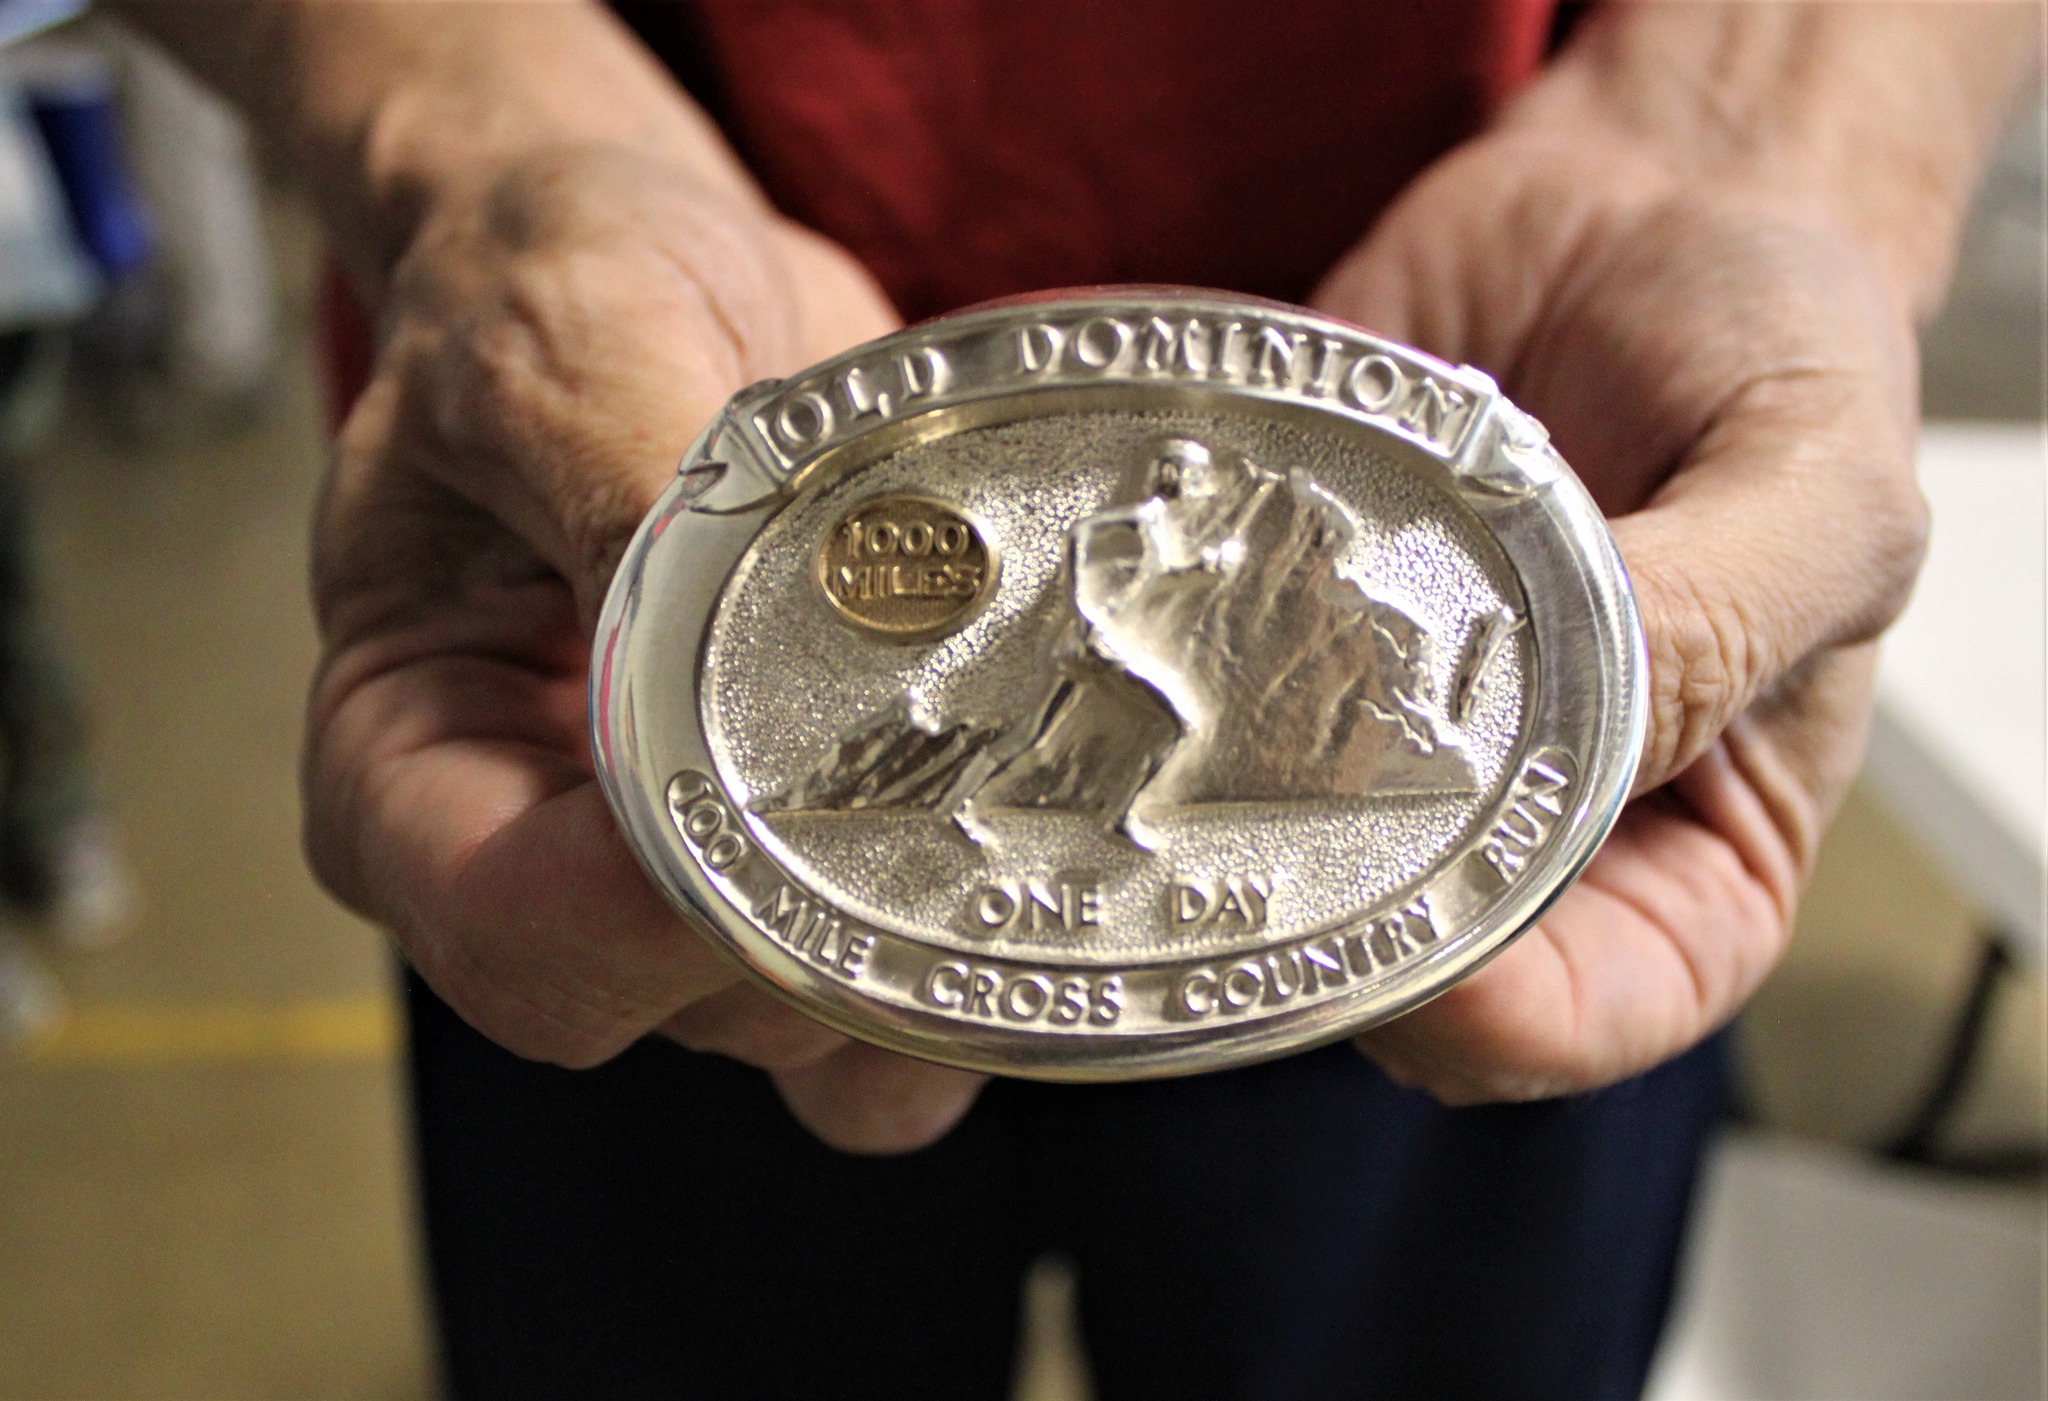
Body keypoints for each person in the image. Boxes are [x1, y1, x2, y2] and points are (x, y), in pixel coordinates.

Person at [114, 3, 2039, 1397]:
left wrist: (1780, 106)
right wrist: (453, 103)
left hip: (1561, 516)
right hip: (587, 612)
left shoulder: (1300, 617)